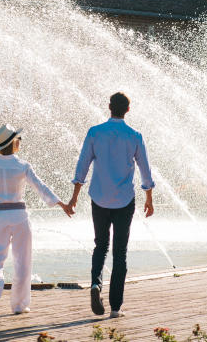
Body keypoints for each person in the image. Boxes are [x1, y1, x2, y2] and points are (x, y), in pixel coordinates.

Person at [68, 92, 155, 319]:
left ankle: (96, 283)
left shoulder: (95, 132)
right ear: (128, 109)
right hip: (124, 200)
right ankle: (115, 308)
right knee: (120, 252)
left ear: (109, 107)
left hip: (99, 198)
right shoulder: (134, 135)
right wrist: (149, 198)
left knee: (100, 246)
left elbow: (82, 165)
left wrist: (74, 196)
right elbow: (145, 170)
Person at [0, 124, 72, 316]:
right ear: (14, 143)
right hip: (19, 215)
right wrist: (60, 203)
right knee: (23, 261)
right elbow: (41, 187)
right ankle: (19, 305)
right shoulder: (22, 166)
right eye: (18, 139)